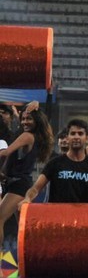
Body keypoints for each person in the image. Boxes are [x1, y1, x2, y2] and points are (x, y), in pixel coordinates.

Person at [21, 118, 88, 205]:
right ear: (68, 138)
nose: (76, 137)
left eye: (80, 133)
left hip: (80, 220)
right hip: (55, 219)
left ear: (87, 138)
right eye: (73, 133)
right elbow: (35, 188)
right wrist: (27, 198)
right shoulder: (54, 164)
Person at [0, 101, 53, 257]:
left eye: (28, 119)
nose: (24, 122)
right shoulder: (33, 136)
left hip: (19, 185)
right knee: (24, 228)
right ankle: (35, 258)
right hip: (17, 183)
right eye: (23, 119)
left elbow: (5, 152)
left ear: (36, 121)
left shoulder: (27, 136)